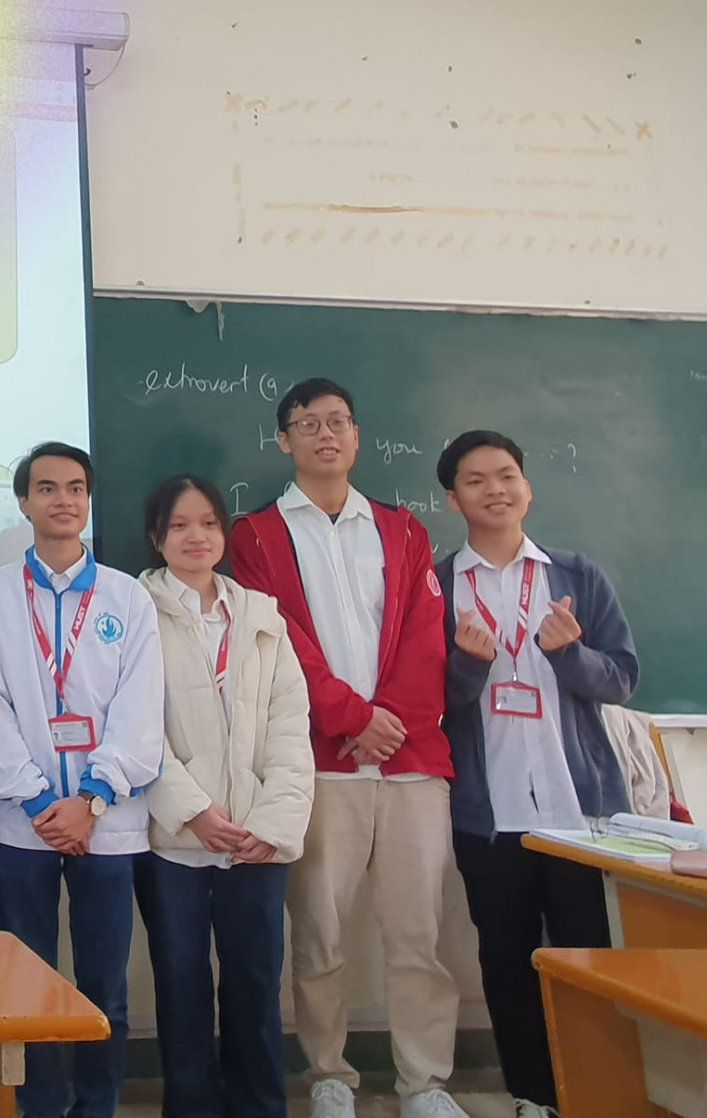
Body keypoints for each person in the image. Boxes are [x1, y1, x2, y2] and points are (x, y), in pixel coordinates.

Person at [228, 378, 466, 1118]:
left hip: (411, 762)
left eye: (338, 422)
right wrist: (350, 717)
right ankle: (329, 1073)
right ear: (284, 440)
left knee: (419, 934)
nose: (325, 434)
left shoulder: (402, 529)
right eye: (308, 424)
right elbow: (281, 640)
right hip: (321, 764)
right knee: (319, 934)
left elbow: (427, 638)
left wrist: (388, 720)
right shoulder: (256, 535)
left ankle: (425, 1082)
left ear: (357, 436)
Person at [438, 430, 638, 1118]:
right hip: (488, 816)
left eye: (506, 475)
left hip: (579, 813)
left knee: (591, 958)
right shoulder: (438, 584)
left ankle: (597, 1091)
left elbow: (623, 678)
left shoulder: (577, 576)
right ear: (453, 498)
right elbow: (428, 700)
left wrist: (570, 655)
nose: (494, 489)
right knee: (507, 959)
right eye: (475, 480)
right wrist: (468, 665)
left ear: (527, 487)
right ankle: (532, 1094)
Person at [0, 441, 162, 1118]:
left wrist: (93, 798)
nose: (63, 499)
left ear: (89, 499)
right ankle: (40, 1105)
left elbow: (142, 709)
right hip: (24, 820)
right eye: (47, 487)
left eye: (76, 487)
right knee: (27, 980)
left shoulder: (128, 596)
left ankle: (97, 1105)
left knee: (105, 985)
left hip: (108, 821)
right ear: (23, 501)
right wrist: (40, 799)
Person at [135, 475, 313, 1118]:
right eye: (180, 525)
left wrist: (271, 822)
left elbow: (291, 725)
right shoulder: (132, 612)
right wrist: (194, 813)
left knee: (256, 985)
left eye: (209, 523)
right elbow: (133, 728)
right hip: (174, 842)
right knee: (181, 986)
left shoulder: (262, 615)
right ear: (157, 537)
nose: (197, 537)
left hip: (255, 841)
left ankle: (260, 1107)